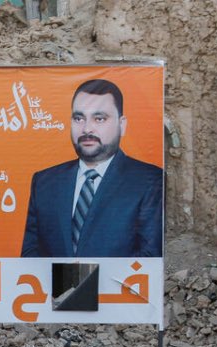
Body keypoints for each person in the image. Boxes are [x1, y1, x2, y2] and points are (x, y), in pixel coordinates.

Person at [20, 79, 163, 257]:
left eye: (99, 119)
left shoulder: (149, 180)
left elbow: (149, 256)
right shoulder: (44, 182)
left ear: (122, 125)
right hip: (54, 285)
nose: (87, 129)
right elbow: (30, 255)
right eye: (79, 118)